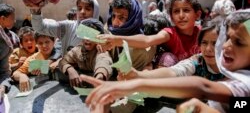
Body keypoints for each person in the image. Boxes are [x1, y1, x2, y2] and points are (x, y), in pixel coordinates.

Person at [80, 9, 250, 113]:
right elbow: (174, 71)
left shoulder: (244, 83)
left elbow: (203, 87)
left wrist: (135, 85)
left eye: (239, 42)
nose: (225, 46)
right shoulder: (199, 61)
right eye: (226, 38)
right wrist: (137, 75)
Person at [99, 0, 202, 67]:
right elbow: (147, 40)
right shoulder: (170, 33)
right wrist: (115, 40)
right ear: (171, 16)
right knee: (167, 59)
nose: (181, 15)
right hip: (177, 75)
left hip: (203, 75)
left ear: (197, 14)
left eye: (186, 10)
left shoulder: (203, 33)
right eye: (176, 12)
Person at [119, 19, 224, 81]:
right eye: (204, 43)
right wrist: (138, 75)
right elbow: (173, 72)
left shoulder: (236, 65)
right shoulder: (197, 62)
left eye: (215, 44)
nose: (208, 49)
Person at [30, 0, 99, 55]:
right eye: (79, 8)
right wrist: (36, 11)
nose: (82, 12)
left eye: (88, 9)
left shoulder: (100, 33)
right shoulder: (67, 27)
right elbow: (40, 28)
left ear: (95, 12)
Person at [59, 19, 113, 88]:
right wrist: (70, 70)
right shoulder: (78, 49)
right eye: (85, 34)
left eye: (91, 35)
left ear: (99, 38)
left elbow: (103, 61)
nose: (87, 39)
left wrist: (100, 75)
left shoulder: (100, 51)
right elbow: (63, 61)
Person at [0, 3, 15, 96]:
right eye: (12, 18)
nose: (14, 21)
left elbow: (4, 72)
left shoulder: (6, 44)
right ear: (2, 19)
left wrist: (3, 87)